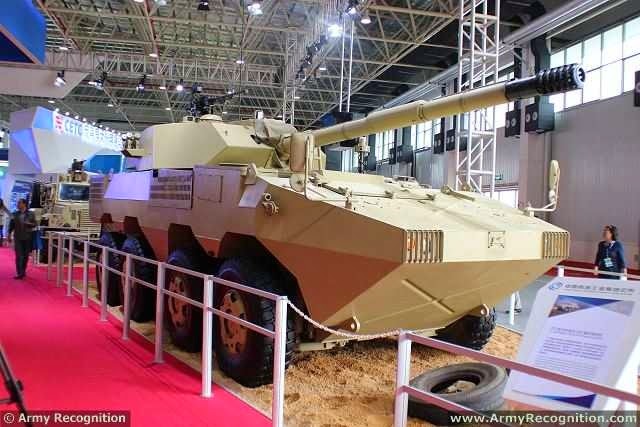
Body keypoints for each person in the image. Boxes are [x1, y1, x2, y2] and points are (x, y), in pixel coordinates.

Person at [7, 199, 37, 279]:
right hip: (18, 237)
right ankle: (19, 273)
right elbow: (11, 225)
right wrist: (9, 234)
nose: (17, 204)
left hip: (28, 237)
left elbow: (35, 224)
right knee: (18, 256)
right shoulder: (14, 214)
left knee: (25, 256)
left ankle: (23, 271)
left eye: (19, 203)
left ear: (24, 204)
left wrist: (29, 224)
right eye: (18, 203)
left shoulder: (31, 214)